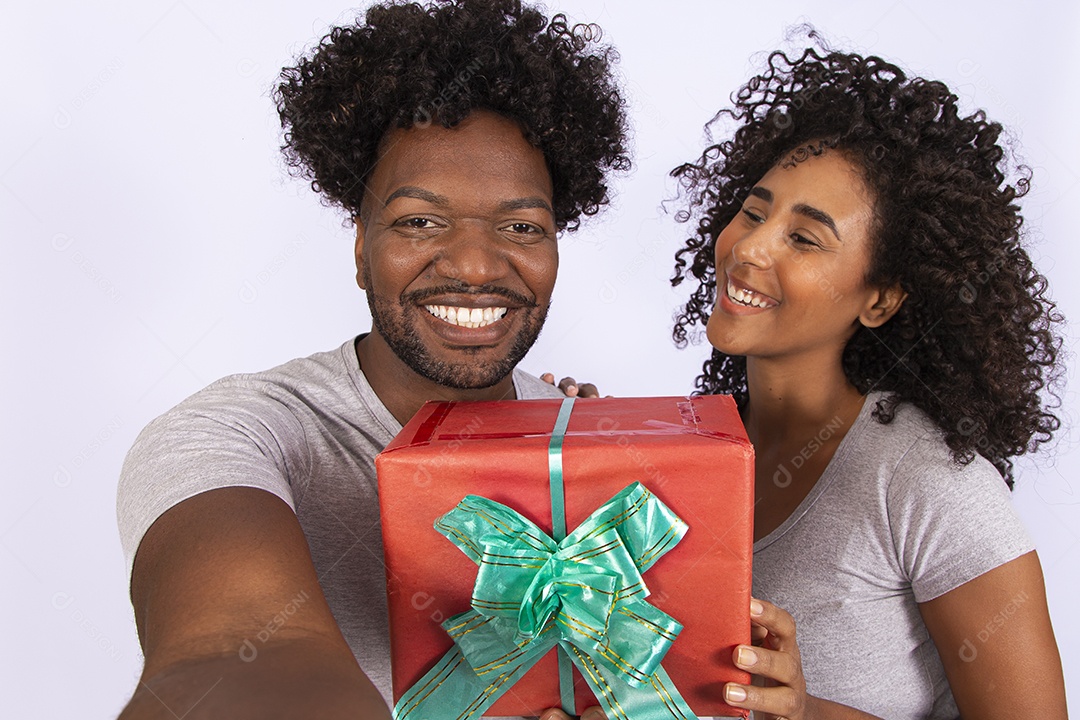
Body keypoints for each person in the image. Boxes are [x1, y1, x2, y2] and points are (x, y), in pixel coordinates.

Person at [115, 1, 628, 718]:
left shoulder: (599, 447)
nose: (477, 266)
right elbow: (227, 656)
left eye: (520, 225)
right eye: (420, 221)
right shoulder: (238, 434)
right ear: (362, 250)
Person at [663, 43, 1068, 719]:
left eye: (805, 238)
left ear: (879, 300)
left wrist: (805, 713)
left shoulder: (927, 480)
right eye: (755, 213)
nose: (750, 248)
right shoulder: (695, 454)